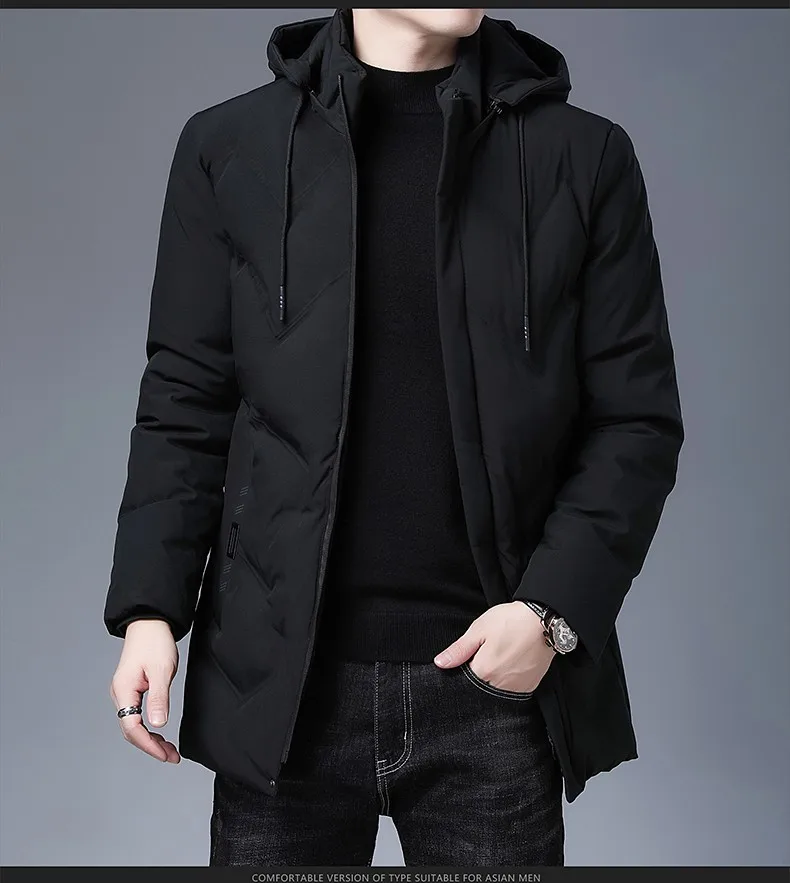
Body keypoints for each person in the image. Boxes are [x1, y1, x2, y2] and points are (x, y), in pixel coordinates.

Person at [104, 7, 684, 867]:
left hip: (492, 695)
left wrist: (550, 615)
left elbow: (635, 419)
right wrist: (151, 610)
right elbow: (186, 400)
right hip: (282, 695)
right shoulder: (229, 146)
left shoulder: (583, 155)